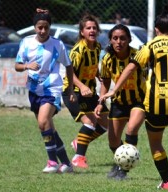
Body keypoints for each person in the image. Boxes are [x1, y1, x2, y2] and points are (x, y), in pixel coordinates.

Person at [99, 7, 168, 190]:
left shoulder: (150, 46)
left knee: (156, 142)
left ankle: (167, 181)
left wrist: (114, 89)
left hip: (157, 102)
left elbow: (130, 68)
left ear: (156, 30)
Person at [15, 8, 76, 173]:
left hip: (52, 89)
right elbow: (17, 65)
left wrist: (69, 89)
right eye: (39, 27)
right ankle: (66, 163)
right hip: (35, 90)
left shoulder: (57, 44)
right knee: (47, 127)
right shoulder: (26, 42)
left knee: (43, 121)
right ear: (34, 27)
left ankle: (52, 162)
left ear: (50, 27)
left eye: (46, 27)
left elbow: (68, 66)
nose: (42, 31)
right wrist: (27, 65)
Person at [94, 24, 146, 180]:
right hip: (118, 102)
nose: (119, 42)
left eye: (123, 38)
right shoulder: (107, 59)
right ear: (110, 40)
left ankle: (123, 170)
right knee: (113, 142)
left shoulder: (137, 56)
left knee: (131, 130)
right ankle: (120, 163)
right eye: (115, 38)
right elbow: (105, 82)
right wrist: (100, 102)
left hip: (139, 101)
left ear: (129, 39)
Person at [62, 13, 109, 169]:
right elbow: (70, 73)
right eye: (88, 28)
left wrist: (98, 76)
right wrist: (81, 87)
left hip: (89, 92)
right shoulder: (77, 50)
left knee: (106, 123)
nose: (92, 30)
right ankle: (78, 157)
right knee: (89, 122)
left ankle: (79, 142)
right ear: (82, 32)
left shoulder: (97, 47)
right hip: (73, 91)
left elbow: (92, 66)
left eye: (94, 28)